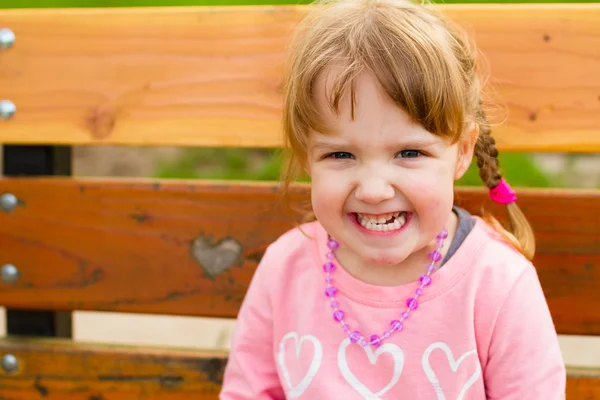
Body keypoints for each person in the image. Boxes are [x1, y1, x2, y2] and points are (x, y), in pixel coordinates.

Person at [220, 0, 566, 398]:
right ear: (306, 158)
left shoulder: (498, 283)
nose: (373, 190)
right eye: (340, 155)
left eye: (409, 153)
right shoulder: (285, 269)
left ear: (463, 152)